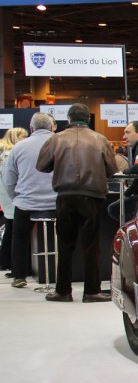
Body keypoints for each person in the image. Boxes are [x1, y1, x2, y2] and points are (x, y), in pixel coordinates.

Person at [35, 103, 118, 303]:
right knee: (91, 246)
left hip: (65, 196)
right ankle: (92, 291)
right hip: (92, 197)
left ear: (69, 119)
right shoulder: (100, 139)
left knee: (65, 245)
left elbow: (42, 166)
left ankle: (63, 291)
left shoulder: (56, 139)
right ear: (88, 119)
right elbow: (112, 168)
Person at [2, 116, 58, 288]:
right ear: (52, 127)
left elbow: (9, 178)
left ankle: (19, 276)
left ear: (31, 128)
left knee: (19, 237)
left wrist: (16, 198)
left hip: (26, 202)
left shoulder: (19, 147)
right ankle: (63, 275)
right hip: (58, 202)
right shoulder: (62, 143)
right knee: (65, 237)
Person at [107, 121, 138, 222]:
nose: (123, 136)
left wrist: (125, 172)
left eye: (127, 132)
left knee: (114, 209)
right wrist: (128, 193)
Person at [0, 127, 30, 274]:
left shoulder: (4, 153)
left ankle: (5, 261)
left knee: (10, 227)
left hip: (6, 194)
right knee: (13, 229)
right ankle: (12, 264)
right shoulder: (11, 153)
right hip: (12, 195)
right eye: (23, 137)